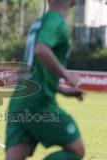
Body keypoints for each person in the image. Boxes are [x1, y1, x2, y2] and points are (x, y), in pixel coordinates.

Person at [5, 0, 85, 159]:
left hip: (19, 100)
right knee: (77, 150)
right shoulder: (56, 21)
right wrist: (66, 74)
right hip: (39, 104)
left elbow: (36, 69)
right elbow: (42, 50)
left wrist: (62, 90)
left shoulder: (39, 23)